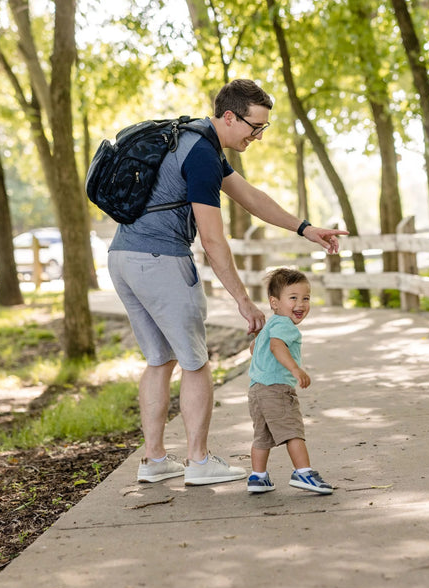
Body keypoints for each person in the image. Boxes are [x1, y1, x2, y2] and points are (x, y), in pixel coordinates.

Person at [107, 79, 347, 486]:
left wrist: (304, 228)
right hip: (160, 259)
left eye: (263, 128)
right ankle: (198, 462)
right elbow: (213, 240)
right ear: (230, 116)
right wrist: (244, 301)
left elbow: (250, 196)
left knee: (159, 359)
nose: (257, 136)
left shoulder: (190, 139)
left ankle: (154, 460)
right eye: (254, 127)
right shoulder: (200, 153)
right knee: (196, 363)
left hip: (123, 257)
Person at [247, 268, 333, 495]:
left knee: (262, 437)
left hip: (256, 390)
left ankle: (258, 477)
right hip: (276, 389)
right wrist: (295, 368)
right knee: (293, 432)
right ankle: (303, 472)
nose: (301, 304)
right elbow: (277, 347)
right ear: (274, 303)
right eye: (293, 298)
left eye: (306, 298)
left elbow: (255, 348)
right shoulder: (284, 326)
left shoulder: (271, 325)